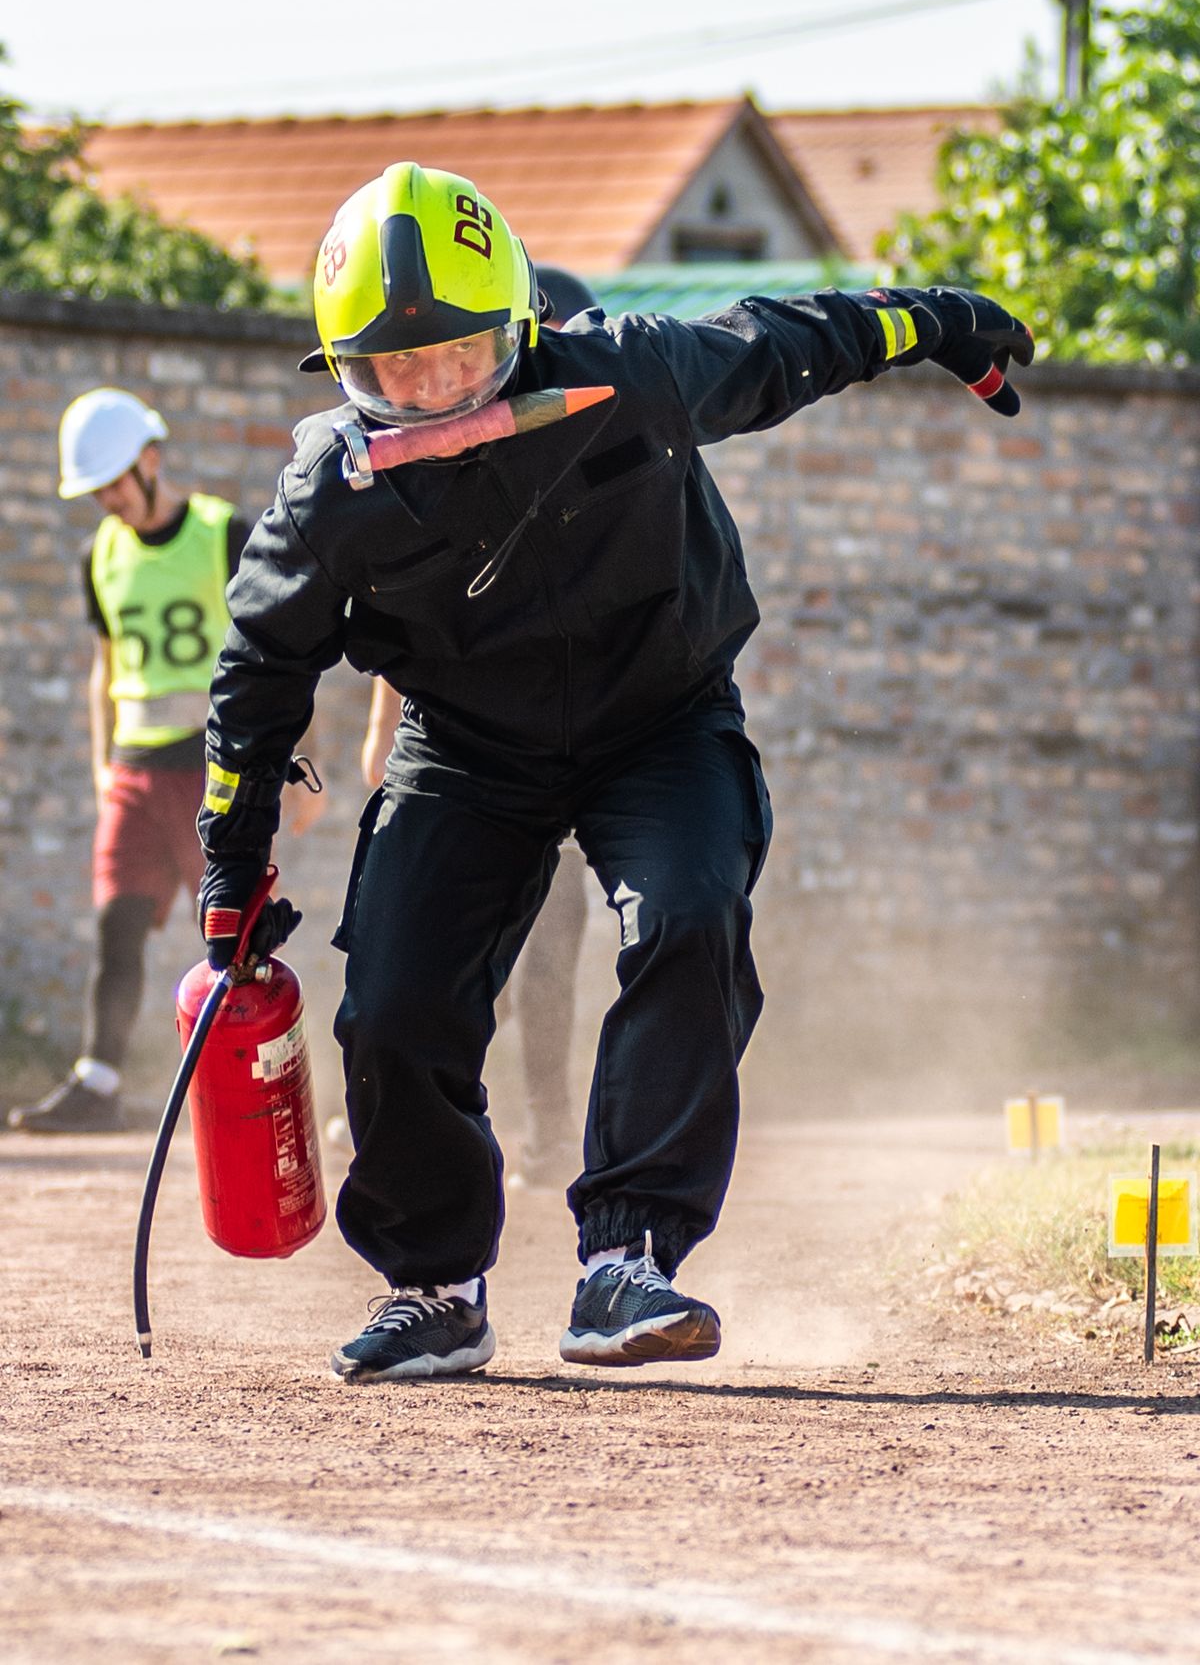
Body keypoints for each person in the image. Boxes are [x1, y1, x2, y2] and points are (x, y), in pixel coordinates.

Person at [195, 161, 1033, 1382]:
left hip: (664, 717)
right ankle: (436, 1286)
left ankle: (625, 1257)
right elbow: (258, 672)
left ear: (521, 330)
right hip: (468, 747)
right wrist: (232, 861)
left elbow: (789, 338)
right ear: (344, 373)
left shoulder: (624, 374)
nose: (432, 395)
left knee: (691, 915)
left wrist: (941, 320)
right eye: (393, 373)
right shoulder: (330, 496)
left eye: (461, 361)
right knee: (392, 996)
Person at [9, 389, 322, 1136]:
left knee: (227, 932)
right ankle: (99, 1081)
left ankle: (248, 1085)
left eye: (116, 480)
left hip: (212, 764)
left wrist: (298, 763)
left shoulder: (223, 536)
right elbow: (104, 665)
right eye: (96, 490)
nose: (108, 500)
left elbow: (280, 655)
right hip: (134, 765)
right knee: (116, 920)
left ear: (151, 458)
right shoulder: (103, 554)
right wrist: (99, 765)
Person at [357, 264, 600, 1189]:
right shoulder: (459, 455)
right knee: (445, 947)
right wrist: (384, 737)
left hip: (579, 745)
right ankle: (422, 1119)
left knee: (550, 952)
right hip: (475, 750)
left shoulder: (605, 472)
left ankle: (549, 1130)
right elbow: (419, 624)